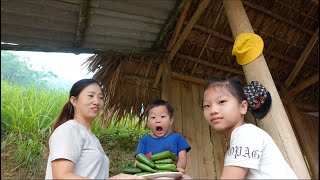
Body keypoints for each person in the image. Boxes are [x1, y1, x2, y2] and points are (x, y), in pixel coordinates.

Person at [45, 79, 144, 179]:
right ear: (74, 101)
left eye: (100, 97)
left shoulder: (91, 137)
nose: (97, 101)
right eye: (90, 96)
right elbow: (61, 176)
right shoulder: (69, 130)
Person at [201, 77, 298, 179]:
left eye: (221, 101)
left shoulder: (245, 133)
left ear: (243, 107)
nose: (213, 110)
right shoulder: (241, 139)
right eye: (206, 105)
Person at [135, 99, 192, 179]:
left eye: (162, 116)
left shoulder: (178, 138)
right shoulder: (144, 140)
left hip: (171, 173)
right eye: (153, 117)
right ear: (148, 123)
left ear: (171, 120)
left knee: (187, 178)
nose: (158, 121)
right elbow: (138, 159)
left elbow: (182, 157)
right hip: (150, 174)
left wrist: (179, 168)